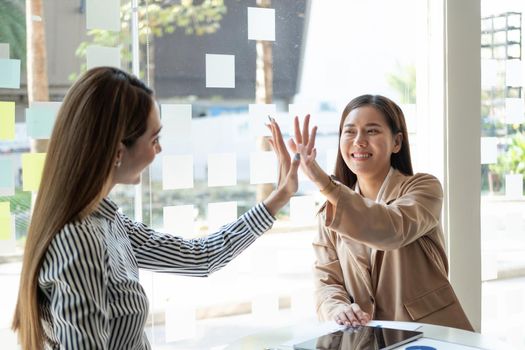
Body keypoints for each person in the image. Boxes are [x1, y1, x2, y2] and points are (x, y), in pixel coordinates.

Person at [11, 67, 299, 350]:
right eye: (154, 139)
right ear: (117, 152)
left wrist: (279, 198)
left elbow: (200, 256)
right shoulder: (79, 240)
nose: (159, 150)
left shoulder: (109, 222)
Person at [287, 94, 473, 331]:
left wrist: (324, 182)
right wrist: (338, 310)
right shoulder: (329, 211)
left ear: (397, 142)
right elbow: (326, 280)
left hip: (429, 336)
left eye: (372, 131)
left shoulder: (424, 188)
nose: (359, 141)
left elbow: (391, 229)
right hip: (365, 339)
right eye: (350, 131)